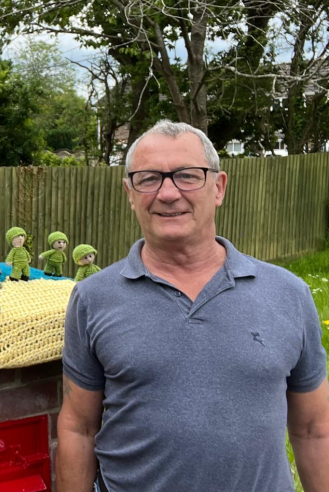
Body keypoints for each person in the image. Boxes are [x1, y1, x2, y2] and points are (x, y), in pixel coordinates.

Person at [57, 120, 329, 492]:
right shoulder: (93, 298)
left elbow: (314, 430)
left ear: (218, 187)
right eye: (149, 178)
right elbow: (78, 427)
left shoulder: (288, 293)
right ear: (130, 193)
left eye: (187, 176)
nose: (168, 193)